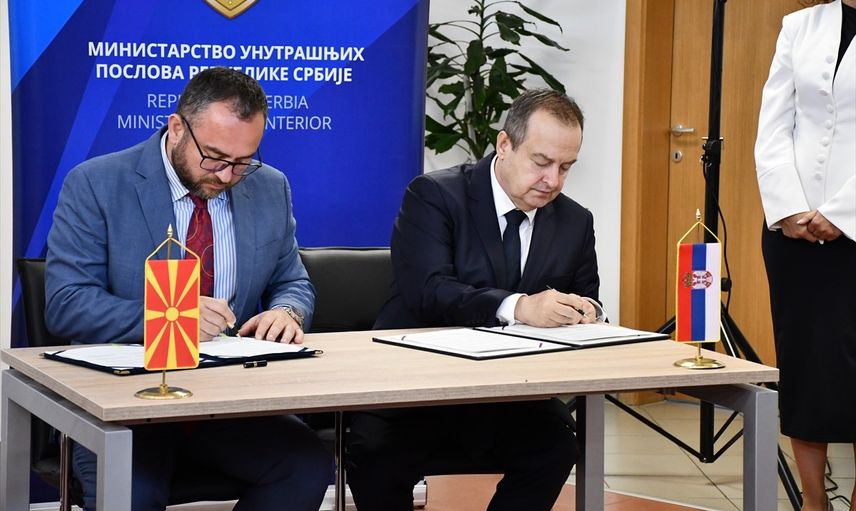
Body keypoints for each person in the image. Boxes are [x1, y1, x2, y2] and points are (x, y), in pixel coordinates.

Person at [45, 67, 331, 511]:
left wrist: (287, 311)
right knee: (134, 494)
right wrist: (171, 317)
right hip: (125, 404)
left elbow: (292, 281)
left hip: (228, 401)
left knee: (307, 465)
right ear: (177, 127)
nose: (228, 175)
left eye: (243, 161)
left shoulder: (270, 186)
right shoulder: (97, 183)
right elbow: (67, 303)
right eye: (215, 157)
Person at [346, 89, 603, 510]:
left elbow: (589, 299)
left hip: (511, 395)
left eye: (565, 167)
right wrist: (520, 307)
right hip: (414, 391)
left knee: (556, 448)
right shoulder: (434, 195)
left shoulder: (575, 221)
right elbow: (428, 290)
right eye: (541, 162)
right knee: (373, 454)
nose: (553, 180)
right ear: (504, 145)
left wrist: (586, 311)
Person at [754, 1, 855, 510]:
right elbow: (773, 124)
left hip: (854, 228)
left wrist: (844, 211)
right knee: (805, 368)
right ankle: (814, 502)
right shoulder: (799, 25)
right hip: (794, 234)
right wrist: (789, 207)